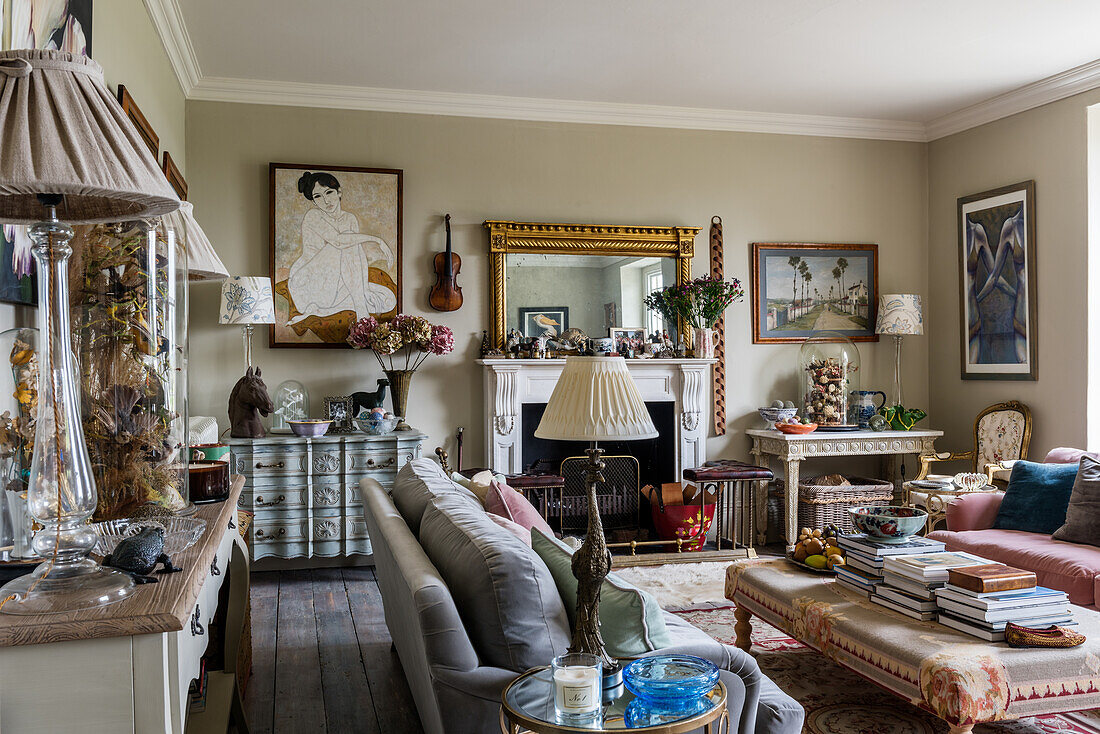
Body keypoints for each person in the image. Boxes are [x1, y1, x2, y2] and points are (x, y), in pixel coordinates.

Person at [287, 171, 396, 325]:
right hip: (307, 285)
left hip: (333, 285)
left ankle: (322, 310)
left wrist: (364, 287)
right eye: (318, 196)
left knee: (388, 300)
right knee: (347, 239)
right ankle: (361, 312)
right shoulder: (313, 216)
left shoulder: (350, 218)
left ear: (339, 192)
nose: (325, 200)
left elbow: (356, 255)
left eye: (329, 192)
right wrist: (376, 240)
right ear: (314, 202)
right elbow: (339, 242)